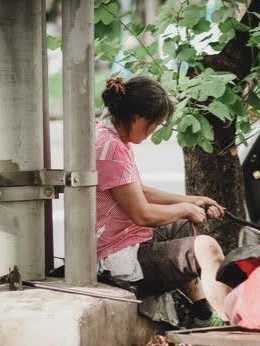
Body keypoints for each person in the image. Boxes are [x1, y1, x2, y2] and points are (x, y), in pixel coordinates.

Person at [95, 76, 231, 327]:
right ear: (138, 117)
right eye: (155, 123)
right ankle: (230, 323)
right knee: (206, 247)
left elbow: (138, 192)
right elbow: (142, 215)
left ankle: (201, 313)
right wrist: (185, 209)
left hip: (123, 240)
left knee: (182, 227)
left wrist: (192, 201)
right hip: (116, 259)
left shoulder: (108, 135)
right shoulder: (111, 148)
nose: (154, 130)